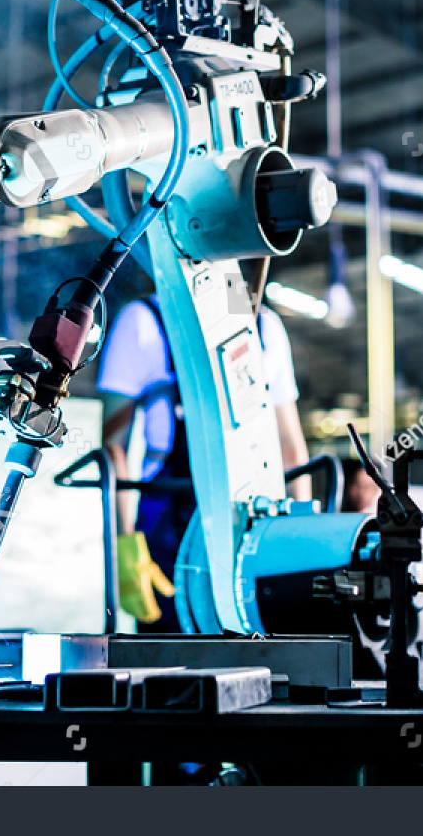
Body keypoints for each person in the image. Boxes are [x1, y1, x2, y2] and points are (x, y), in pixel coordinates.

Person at [98, 267, 310, 630]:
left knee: (252, 643)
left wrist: (300, 535)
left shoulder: (264, 328)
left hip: (250, 512)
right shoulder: (143, 323)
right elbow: (112, 446)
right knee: (167, 650)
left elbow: (290, 448)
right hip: (167, 514)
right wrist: (126, 544)